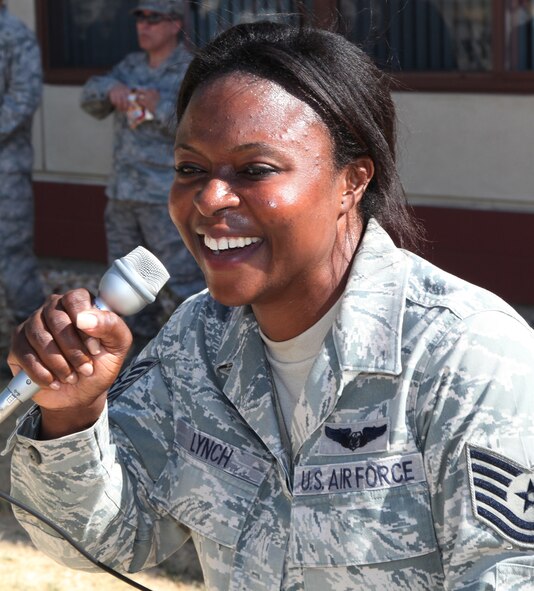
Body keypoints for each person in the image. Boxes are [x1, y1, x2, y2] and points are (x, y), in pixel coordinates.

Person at [6, 21, 534, 590]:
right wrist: (71, 415)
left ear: (352, 182)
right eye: (190, 169)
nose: (210, 198)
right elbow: (109, 538)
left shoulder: (467, 357)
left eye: (255, 170)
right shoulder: (197, 342)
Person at [80, 0, 204, 348]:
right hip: (122, 196)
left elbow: (202, 128)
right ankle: (131, 362)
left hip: (164, 199)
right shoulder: (130, 65)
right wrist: (110, 91)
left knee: (183, 285)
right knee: (122, 288)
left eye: (153, 18)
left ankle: (196, 356)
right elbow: (89, 96)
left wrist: (159, 106)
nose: (143, 26)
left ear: (175, 24)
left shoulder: (188, 70)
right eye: (139, 18)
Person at [0, 0, 45, 373]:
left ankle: (34, 356)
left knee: (12, 260)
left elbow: (23, 99)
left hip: (5, 171)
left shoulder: (15, 37)